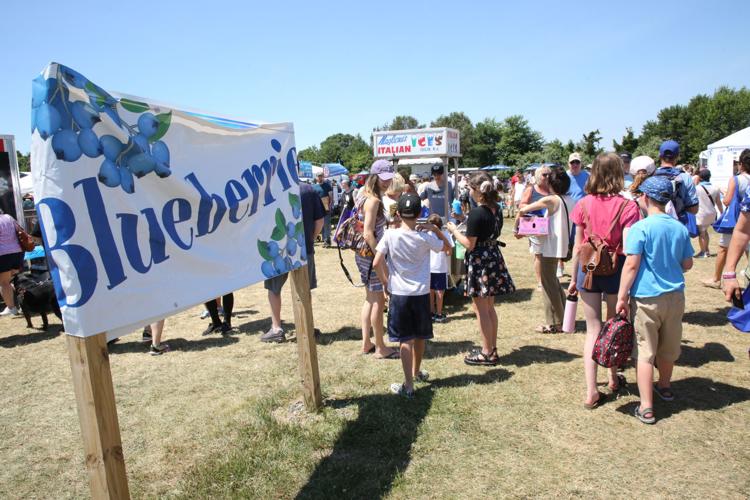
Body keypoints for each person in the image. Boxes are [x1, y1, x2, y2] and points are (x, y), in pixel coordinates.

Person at [616, 176, 694, 424]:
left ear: (646, 198)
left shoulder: (641, 228)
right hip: (675, 297)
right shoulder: (679, 228)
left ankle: (646, 406)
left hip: (646, 298)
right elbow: (687, 263)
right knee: (669, 346)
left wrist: (621, 297)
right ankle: (665, 385)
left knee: (645, 351)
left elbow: (631, 265)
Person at [567, 152, 641, 409]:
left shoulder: (583, 203)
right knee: (613, 326)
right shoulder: (628, 206)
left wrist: (574, 277)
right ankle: (611, 377)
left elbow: (578, 247)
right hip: (615, 268)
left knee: (592, 330)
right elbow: (631, 247)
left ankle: (591, 391)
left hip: (587, 269)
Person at [373, 192, 451, 398]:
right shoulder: (425, 238)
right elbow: (448, 248)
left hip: (399, 294)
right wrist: (435, 229)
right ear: (420, 213)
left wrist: (385, 282)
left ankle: (408, 384)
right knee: (420, 336)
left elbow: (376, 262)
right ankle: (416, 372)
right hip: (421, 294)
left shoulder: (390, 235)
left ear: (398, 213)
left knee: (405, 340)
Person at [446, 172, 515, 366]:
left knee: (480, 309)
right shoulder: (496, 209)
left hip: (480, 262)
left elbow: (469, 244)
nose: (468, 191)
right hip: (492, 257)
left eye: (469, 188)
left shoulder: (478, 212)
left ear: (477, 191)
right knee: (489, 308)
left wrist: (452, 230)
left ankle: (486, 352)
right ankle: (491, 348)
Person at [261, 180, 325, 342]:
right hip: (303, 247)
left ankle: (276, 328)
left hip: (276, 250)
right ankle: (307, 326)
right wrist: (309, 240)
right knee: (304, 289)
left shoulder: (270, 189)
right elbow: (320, 221)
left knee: (274, 289)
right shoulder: (308, 190)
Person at [515, 169, 574, 333]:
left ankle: (554, 323)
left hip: (550, 247)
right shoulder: (569, 199)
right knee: (553, 282)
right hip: (561, 245)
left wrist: (520, 224)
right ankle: (565, 318)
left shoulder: (551, 199)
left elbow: (523, 209)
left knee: (548, 285)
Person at [357, 159, 399, 359]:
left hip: (363, 255)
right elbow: (368, 233)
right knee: (378, 300)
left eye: (389, 178)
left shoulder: (362, 194)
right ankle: (381, 347)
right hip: (371, 255)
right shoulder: (373, 200)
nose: (387, 182)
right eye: (383, 179)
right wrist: (379, 257)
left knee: (370, 299)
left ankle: (367, 343)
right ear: (373, 177)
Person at [704, 151, 750, 288]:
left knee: (723, 249)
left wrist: (725, 194)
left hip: (736, 220)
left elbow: (728, 201)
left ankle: (716, 279)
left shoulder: (736, 179)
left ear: (741, 164)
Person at [520, 165, 552, 287]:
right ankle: (540, 282)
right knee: (538, 255)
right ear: (538, 176)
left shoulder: (552, 189)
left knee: (549, 254)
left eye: (549, 174)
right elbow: (522, 205)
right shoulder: (531, 189)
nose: (547, 177)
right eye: (544, 174)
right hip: (535, 225)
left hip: (550, 226)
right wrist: (537, 206)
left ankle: (549, 278)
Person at [427, 213, 453, 323]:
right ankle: (438, 313)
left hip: (428, 267)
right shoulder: (445, 234)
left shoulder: (427, 234)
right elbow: (449, 252)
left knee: (430, 291)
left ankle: (431, 312)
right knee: (439, 292)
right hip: (440, 267)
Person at [695, 169, 723, 258]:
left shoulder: (697, 188)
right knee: (705, 232)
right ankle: (706, 250)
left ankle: (703, 252)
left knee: (702, 234)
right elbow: (719, 203)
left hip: (701, 213)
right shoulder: (715, 188)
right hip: (712, 213)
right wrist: (722, 213)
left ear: (700, 177)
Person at [0, 210, 23, 316]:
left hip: (3, 254)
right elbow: (20, 230)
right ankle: (21, 304)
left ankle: (11, 308)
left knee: (4, 283)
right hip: (17, 252)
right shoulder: (9, 217)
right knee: (10, 281)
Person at [313, 172, 333, 247]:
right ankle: (323, 239)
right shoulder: (314, 187)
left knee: (326, 224)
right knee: (319, 224)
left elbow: (331, 196)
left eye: (321, 176)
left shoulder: (327, 186)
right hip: (317, 208)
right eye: (318, 176)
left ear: (323, 177)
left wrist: (330, 205)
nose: (320, 178)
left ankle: (327, 240)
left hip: (326, 207)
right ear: (316, 177)